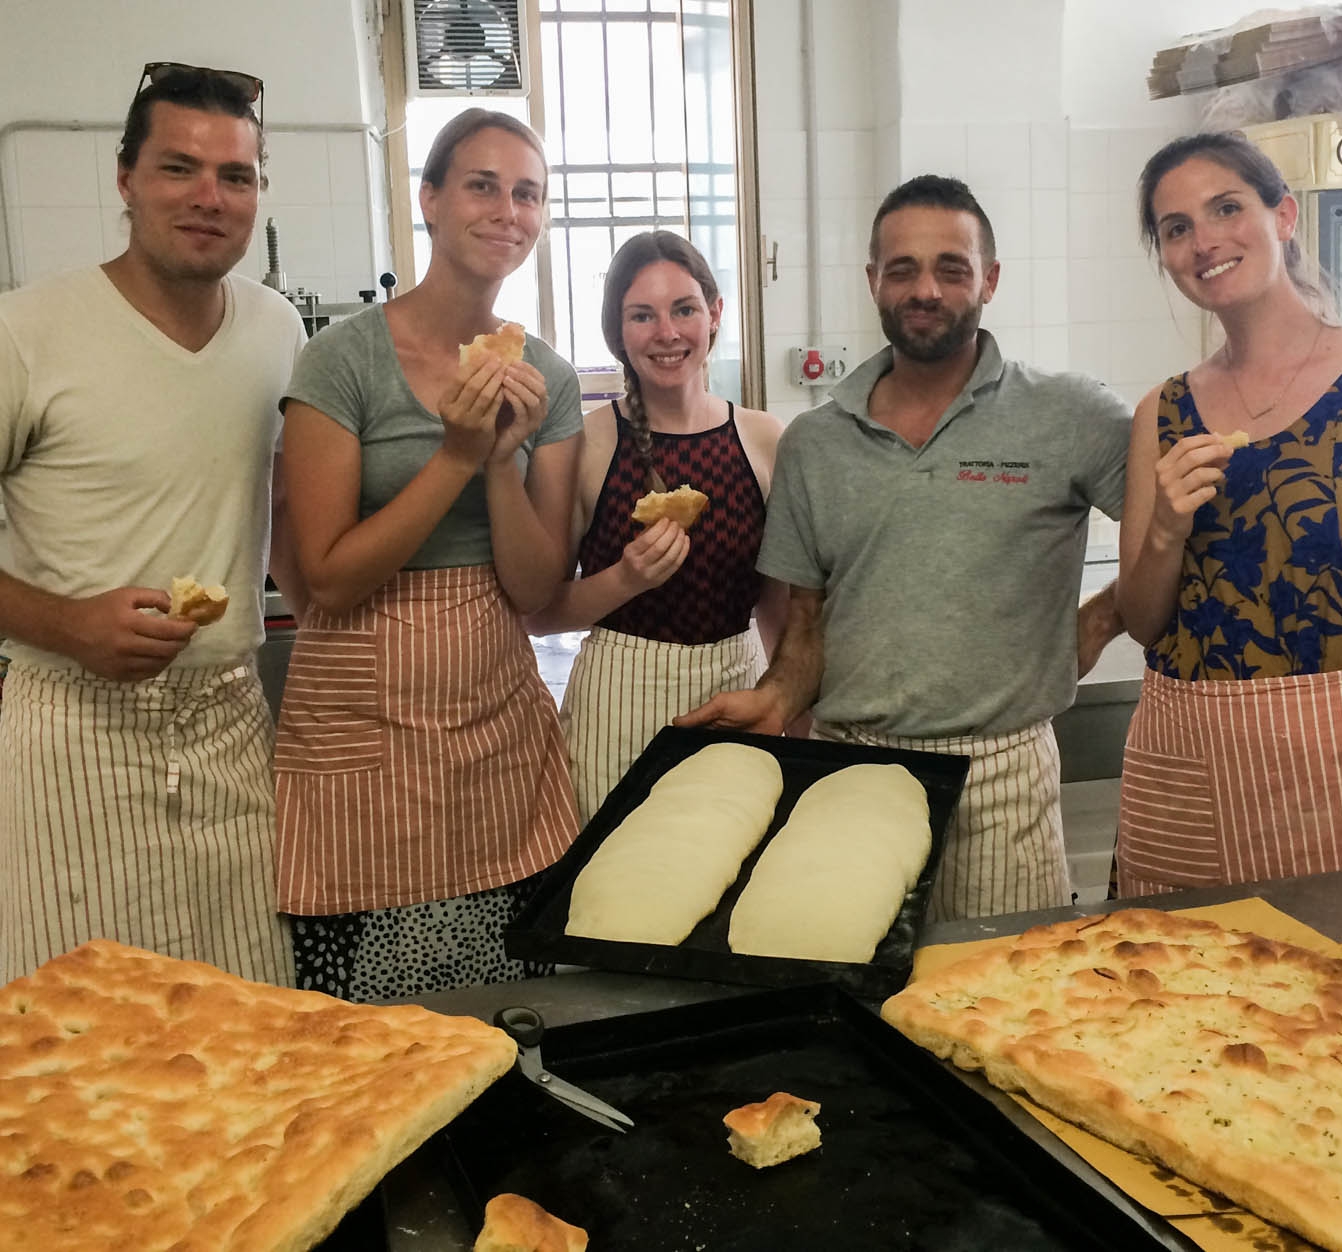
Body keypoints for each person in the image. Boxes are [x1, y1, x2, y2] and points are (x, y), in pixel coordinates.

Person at [680, 174, 1132, 921]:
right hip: (850, 770)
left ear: (989, 279)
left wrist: (1092, 625)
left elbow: (1170, 542)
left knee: (1006, 1014)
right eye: (902, 269)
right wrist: (778, 697)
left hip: (1000, 781)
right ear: (872, 282)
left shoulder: (1070, 415)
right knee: (856, 1007)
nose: (926, 289)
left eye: (951, 267)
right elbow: (807, 625)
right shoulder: (817, 444)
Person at [0, 64, 306, 984]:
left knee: (251, 1032)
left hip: (229, 723)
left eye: (236, 177)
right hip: (72, 732)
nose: (209, 198)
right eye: (179, 168)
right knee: (81, 1039)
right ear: (126, 177)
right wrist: (67, 624)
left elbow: (289, 511)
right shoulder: (29, 332)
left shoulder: (275, 330)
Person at [274, 108, 582, 999]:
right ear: (431, 201)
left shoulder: (548, 380)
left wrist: (496, 463)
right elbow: (327, 580)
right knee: (366, 1028)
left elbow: (532, 587)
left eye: (528, 194)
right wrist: (452, 454)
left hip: (492, 708)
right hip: (355, 707)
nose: (507, 211)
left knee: (501, 1002)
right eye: (482, 185)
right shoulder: (341, 363)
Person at [1115, 132, 1342, 896]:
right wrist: (1166, 531)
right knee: (1182, 990)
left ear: (1283, 216)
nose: (1204, 239)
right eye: (1176, 228)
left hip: (1331, 762)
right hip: (1194, 759)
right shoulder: (1162, 411)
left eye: (1226, 208)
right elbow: (1143, 620)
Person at [526, 231, 786, 823]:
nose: (667, 333)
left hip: (737, 691)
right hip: (619, 705)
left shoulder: (764, 440)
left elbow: (778, 607)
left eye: (684, 309)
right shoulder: (588, 443)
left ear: (715, 315)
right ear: (617, 332)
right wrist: (625, 580)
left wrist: (786, 710)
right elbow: (536, 612)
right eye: (642, 315)